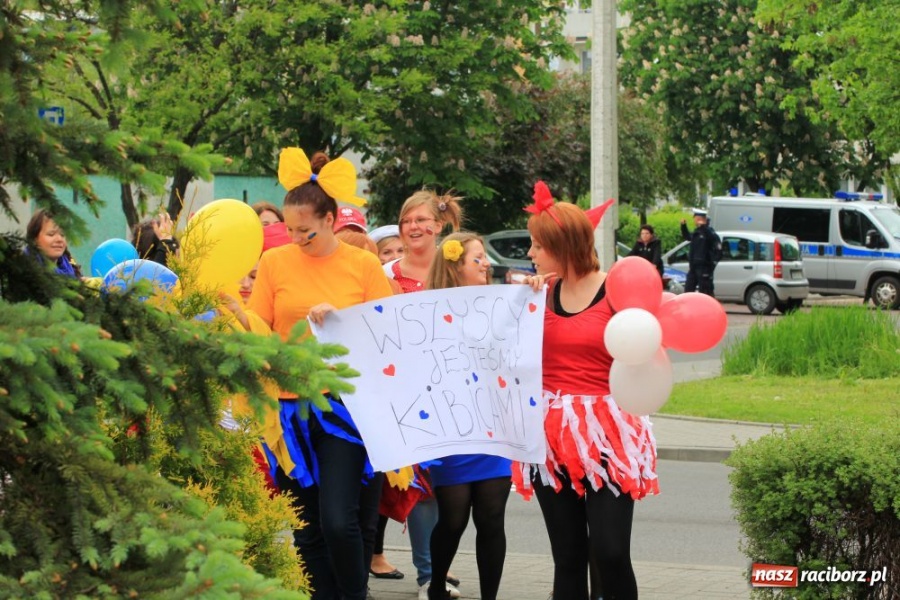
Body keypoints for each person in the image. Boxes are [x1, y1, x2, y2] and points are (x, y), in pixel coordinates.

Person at [247, 147, 393, 600]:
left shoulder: (363, 265)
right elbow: (260, 328)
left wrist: (343, 322)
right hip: (289, 410)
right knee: (307, 527)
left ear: (331, 221)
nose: (294, 239)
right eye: (288, 230)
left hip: (345, 409)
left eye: (304, 231)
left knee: (338, 519)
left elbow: (388, 334)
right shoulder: (275, 263)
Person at [516, 181, 658, 600]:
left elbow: (645, 349)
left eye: (537, 245)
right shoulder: (535, 296)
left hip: (608, 434)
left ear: (562, 246)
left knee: (611, 553)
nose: (530, 254)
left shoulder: (616, 291)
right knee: (569, 557)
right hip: (550, 436)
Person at [384, 189, 463, 600]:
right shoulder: (383, 275)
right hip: (406, 396)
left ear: (439, 225)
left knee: (452, 487)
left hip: (453, 393)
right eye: (406, 221)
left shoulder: (455, 270)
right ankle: (427, 573)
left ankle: (441, 566)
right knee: (421, 485)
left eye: (421, 220)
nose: (413, 227)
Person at [424, 233, 511, 600]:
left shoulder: (504, 307)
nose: (487, 263)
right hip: (453, 430)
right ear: (455, 267)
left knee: (491, 518)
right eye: (478, 259)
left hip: (495, 429)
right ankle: (436, 585)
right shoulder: (427, 312)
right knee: (454, 518)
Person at [25, 209, 82, 278]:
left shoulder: (71, 267)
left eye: (62, 234)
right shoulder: (24, 270)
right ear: (35, 239)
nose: (59, 239)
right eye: (51, 234)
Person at [680, 209, 721, 297]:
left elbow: (716, 246)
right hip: (694, 266)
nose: (694, 220)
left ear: (700, 219)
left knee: (705, 292)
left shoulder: (709, 232)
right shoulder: (697, 232)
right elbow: (688, 237)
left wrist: (712, 264)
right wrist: (683, 226)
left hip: (704, 267)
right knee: (688, 290)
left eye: (695, 218)